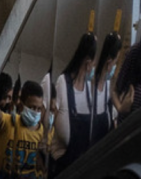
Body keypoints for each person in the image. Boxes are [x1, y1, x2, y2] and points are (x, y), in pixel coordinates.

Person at [52, 33, 106, 175]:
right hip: (62, 167)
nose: (94, 67)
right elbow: (50, 119)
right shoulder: (63, 83)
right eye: (94, 63)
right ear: (88, 63)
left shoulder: (89, 90)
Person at [0, 80, 50, 179]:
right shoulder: (9, 122)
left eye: (39, 108)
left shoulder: (42, 133)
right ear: (22, 104)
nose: (36, 112)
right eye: (32, 108)